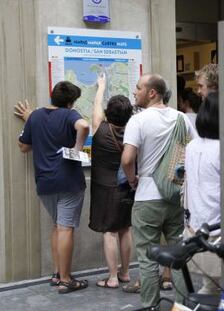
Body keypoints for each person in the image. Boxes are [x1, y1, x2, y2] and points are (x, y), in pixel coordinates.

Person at [121, 73, 196, 307]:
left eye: (138, 88)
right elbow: (192, 152)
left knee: (147, 258)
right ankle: (183, 306)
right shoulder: (182, 118)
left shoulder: (138, 120)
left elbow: (127, 159)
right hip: (174, 196)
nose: (135, 92)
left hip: (146, 198)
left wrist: (132, 179)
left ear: (152, 92)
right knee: (178, 256)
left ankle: (150, 306)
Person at [14, 81, 89, 294]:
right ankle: (66, 279)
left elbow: (23, 146)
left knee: (57, 226)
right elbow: (83, 126)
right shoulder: (69, 115)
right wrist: (77, 147)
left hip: (44, 182)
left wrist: (33, 124)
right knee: (65, 228)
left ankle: (57, 274)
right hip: (68, 180)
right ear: (70, 102)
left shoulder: (35, 116)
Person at [89, 73, 134, 289]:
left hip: (104, 188)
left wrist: (101, 86)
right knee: (125, 228)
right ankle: (125, 273)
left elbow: (96, 105)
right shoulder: (133, 133)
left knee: (109, 232)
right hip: (126, 186)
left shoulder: (100, 128)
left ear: (109, 113)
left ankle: (113, 277)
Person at [184, 92, 221, 294]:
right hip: (219, 230)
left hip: (196, 227)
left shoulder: (192, 146)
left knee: (210, 286)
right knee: (223, 291)